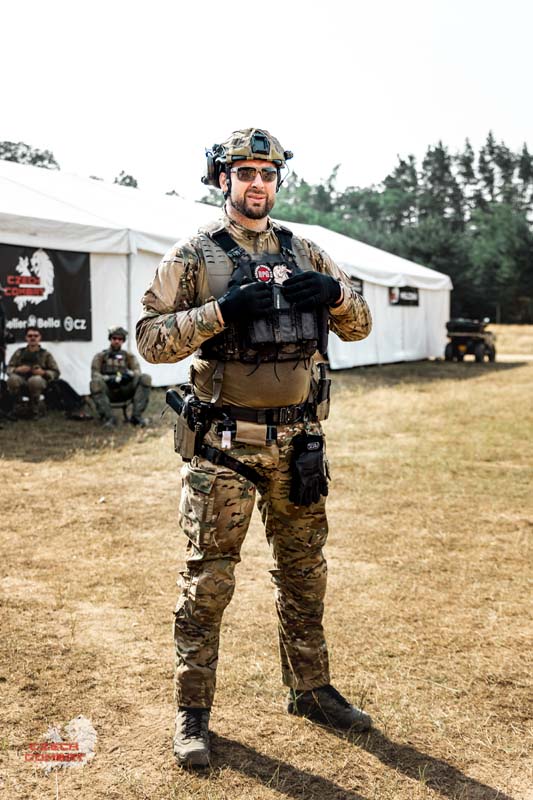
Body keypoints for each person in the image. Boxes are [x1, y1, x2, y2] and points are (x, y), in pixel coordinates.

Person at [136, 128, 373, 768]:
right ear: (224, 180)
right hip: (224, 448)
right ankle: (192, 713)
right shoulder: (194, 256)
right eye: (244, 173)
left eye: (267, 173)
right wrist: (220, 311)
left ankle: (312, 690)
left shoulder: (306, 251)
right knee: (208, 583)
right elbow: (151, 340)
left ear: (277, 181)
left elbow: (359, 325)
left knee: (305, 573)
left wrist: (336, 295)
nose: (257, 183)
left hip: (298, 445)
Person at [90, 326, 151, 427]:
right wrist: (107, 379)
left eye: (120, 339)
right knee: (95, 383)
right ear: (110, 339)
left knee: (145, 378)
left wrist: (129, 375)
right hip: (108, 390)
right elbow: (94, 373)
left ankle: (136, 417)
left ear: (123, 340)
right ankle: (109, 418)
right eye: (114, 338)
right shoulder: (100, 356)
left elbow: (137, 371)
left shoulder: (128, 356)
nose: (117, 341)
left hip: (126, 389)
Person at [6, 326, 60, 418]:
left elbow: (56, 372)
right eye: (30, 336)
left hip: (39, 382)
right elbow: (8, 368)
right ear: (26, 338)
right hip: (22, 380)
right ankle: (16, 407)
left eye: (36, 336)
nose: (33, 338)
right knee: (12, 379)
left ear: (40, 337)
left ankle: (35, 409)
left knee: (35, 380)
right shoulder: (19, 353)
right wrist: (17, 370)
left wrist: (43, 373)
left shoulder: (46, 354)